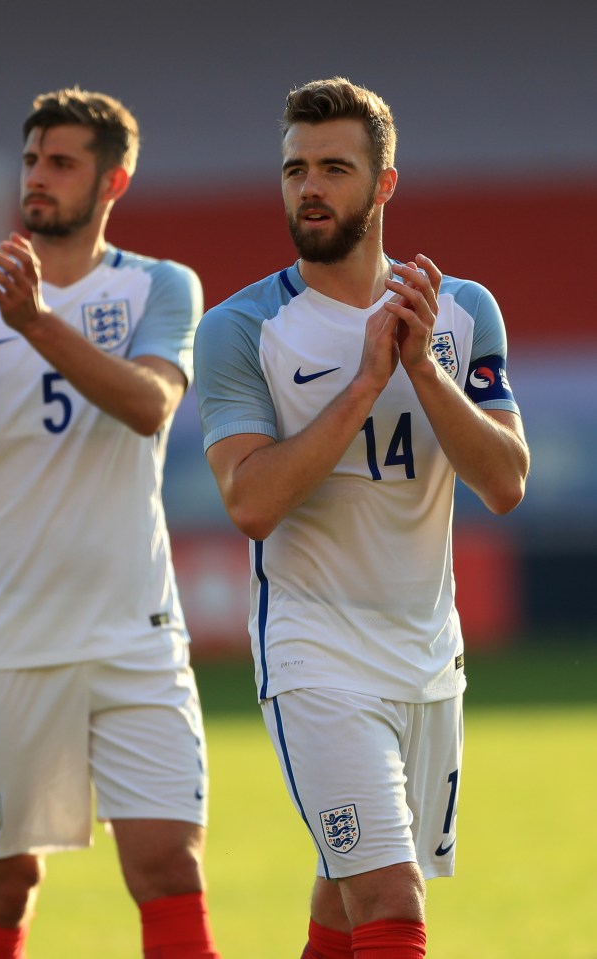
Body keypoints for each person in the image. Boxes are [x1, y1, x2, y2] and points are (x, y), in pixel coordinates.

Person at [0, 87, 222, 959]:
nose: (38, 177)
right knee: (2, 881)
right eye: (32, 159)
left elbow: (150, 406)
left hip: (135, 634)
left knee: (170, 868)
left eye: (61, 161)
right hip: (9, 638)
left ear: (114, 180)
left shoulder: (158, 286)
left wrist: (35, 324)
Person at [193, 77, 530, 959]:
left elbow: (504, 483)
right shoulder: (240, 328)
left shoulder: (461, 313)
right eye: (295, 168)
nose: (310, 187)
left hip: (427, 654)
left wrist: (423, 368)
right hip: (314, 653)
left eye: (335, 168)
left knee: (347, 902)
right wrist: (367, 382)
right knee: (389, 893)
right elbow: (252, 501)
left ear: (383, 185)